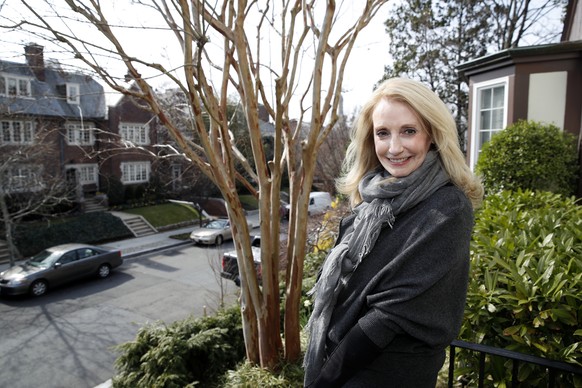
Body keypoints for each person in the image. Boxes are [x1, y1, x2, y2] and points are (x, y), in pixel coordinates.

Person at [303, 77, 484, 388]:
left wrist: (324, 382)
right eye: (383, 133)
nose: (395, 147)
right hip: (340, 362)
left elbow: (389, 315)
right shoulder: (373, 198)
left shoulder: (447, 207)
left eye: (409, 131)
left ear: (432, 136)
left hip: (384, 374)